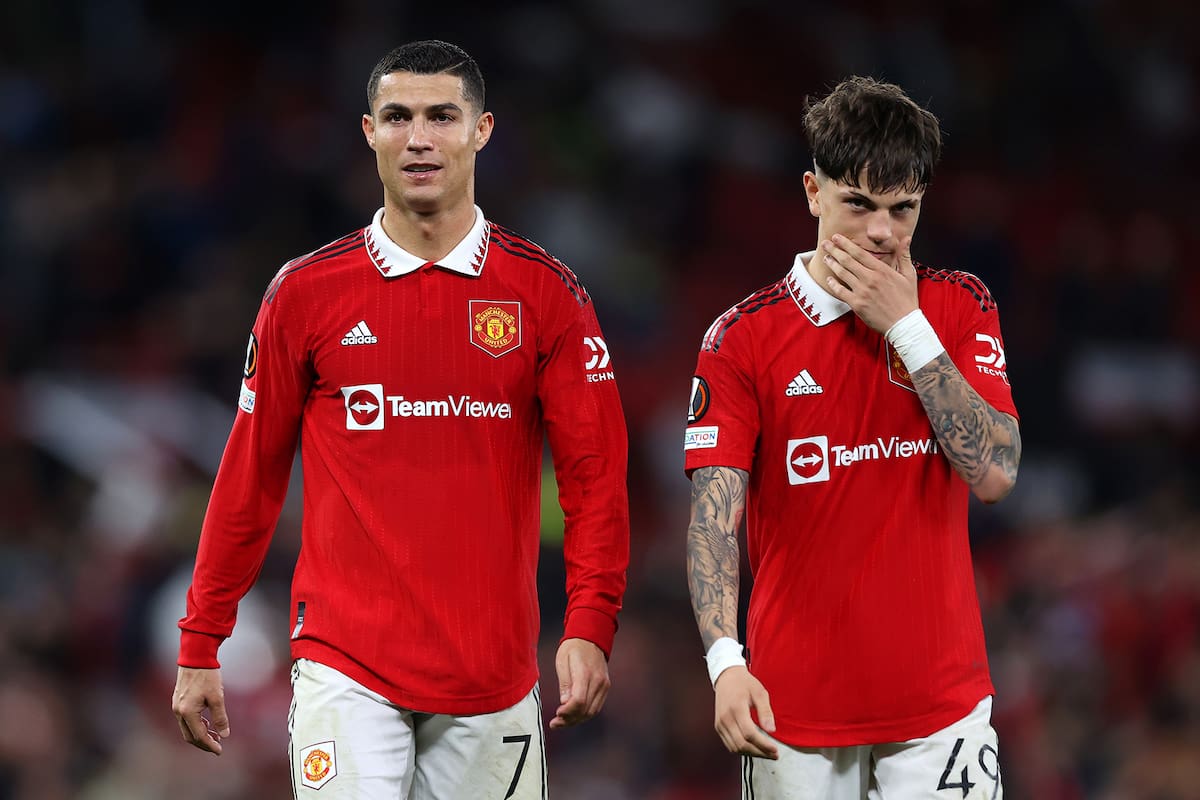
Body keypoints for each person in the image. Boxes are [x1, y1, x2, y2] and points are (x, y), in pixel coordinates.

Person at [171, 39, 630, 799]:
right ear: (368, 132)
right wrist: (201, 640)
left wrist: (588, 624)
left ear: (483, 131)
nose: (420, 137)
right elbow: (249, 476)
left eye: (442, 116)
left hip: (493, 672)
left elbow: (596, 480)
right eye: (398, 117)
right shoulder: (307, 294)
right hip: (344, 663)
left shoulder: (546, 295)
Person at [684, 76, 1021, 799]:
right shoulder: (741, 340)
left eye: (903, 209)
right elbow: (714, 518)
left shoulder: (959, 307)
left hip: (940, 709)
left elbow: (995, 472)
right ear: (812, 192)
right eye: (858, 204)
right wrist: (723, 660)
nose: (881, 232)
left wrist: (907, 326)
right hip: (793, 709)